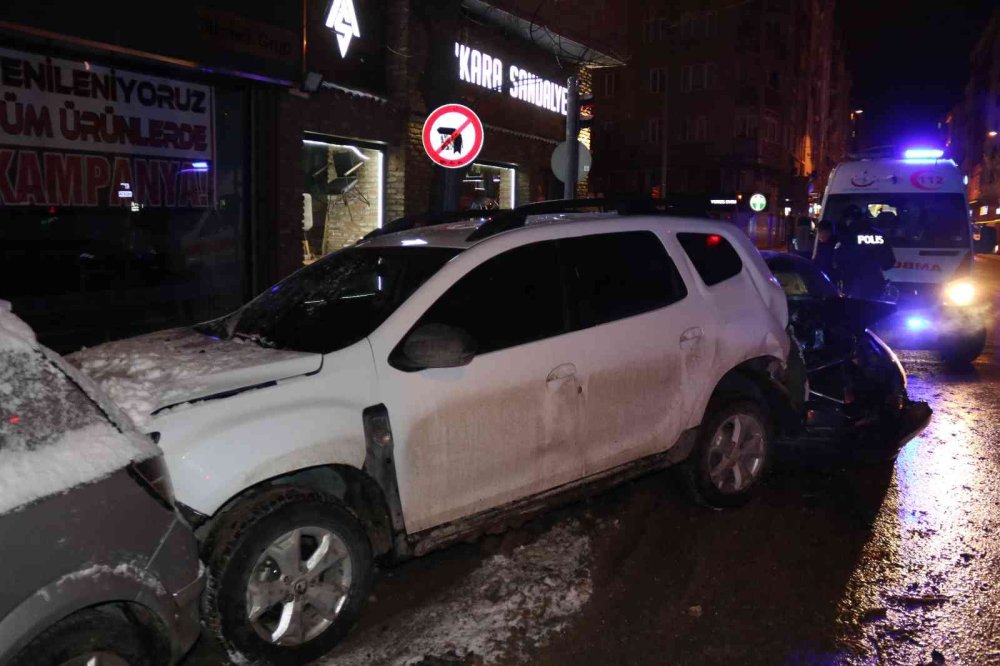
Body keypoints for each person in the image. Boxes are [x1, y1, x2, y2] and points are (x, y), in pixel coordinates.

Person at [833, 205, 896, 300]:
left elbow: (837, 260)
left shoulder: (847, 235)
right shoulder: (879, 234)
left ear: (848, 219)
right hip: (876, 282)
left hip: (854, 284)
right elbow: (889, 262)